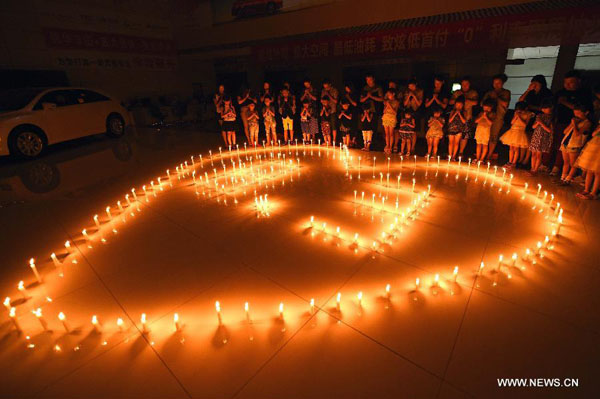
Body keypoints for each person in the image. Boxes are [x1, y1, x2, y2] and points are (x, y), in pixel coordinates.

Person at [550, 70, 594, 175]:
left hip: (576, 123)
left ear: (578, 81)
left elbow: (583, 109)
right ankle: (552, 165)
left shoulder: (584, 94)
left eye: (571, 82)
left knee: (570, 148)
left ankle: (564, 172)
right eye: (565, 83)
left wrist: (565, 102)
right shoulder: (561, 93)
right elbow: (553, 106)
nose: (567, 85)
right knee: (558, 144)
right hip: (560, 121)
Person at [558, 103, 592, 185]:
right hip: (566, 142)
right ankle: (562, 178)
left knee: (573, 164)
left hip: (574, 145)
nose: (576, 115)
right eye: (575, 113)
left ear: (586, 113)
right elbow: (565, 131)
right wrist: (572, 124)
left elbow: (577, 134)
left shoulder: (587, 123)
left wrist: (575, 124)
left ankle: (568, 179)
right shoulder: (575, 121)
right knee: (566, 162)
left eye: (578, 113)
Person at [482, 73, 511, 161]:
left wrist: (497, 98)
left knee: (494, 136)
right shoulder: (489, 93)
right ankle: (482, 154)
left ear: (502, 83)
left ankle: (489, 154)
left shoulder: (506, 92)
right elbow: (482, 103)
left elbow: (505, 104)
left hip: (498, 117)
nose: (496, 85)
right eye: (494, 83)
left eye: (498, 83)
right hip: (488, 116)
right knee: (485, 135)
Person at [450, 76, 479, 158]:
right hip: (456, 118)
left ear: (469, 84)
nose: (464, 86)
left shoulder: (473, 93)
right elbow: (451, 101)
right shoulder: (457, 92)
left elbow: (476, 102)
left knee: (464, 135)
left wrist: (466, 99)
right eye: (463, 84)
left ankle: (461, 152)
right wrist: (458, 100)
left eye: (466, 84)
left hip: (467, 117)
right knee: (454, 135)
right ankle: (452, 153)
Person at [500, 101, 533, 168]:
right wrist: (516, 116)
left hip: (520, 132)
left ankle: (514, 163)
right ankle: (510, 161)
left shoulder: (528, 114)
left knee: (516, 149)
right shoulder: (516, 113)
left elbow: (525, 124)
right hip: (513, 131)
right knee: (511, 148)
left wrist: (519, 117)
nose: (518, 110)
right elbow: (512, 122)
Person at [574, 123, 600, 199]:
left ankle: (593, 193)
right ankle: (586, 189)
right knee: (589, 170)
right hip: (594, 145)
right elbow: (593, 134)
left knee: (597, 172)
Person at [529, 98, 554, 174]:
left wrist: (541, 123)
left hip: (543, 137)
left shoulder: (551, 118)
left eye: (549, 107)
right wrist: (538, 122)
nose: (548, 109)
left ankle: (535, 170)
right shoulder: (539, 116)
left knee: (539, 155)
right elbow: (533, 127)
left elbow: (550, 130)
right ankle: (532, 169)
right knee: (533, 154)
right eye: (546, 108)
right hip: (536, 136)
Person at [402, 79, 424, 151]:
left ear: (415, 85)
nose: (410, 87)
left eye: (412, 86)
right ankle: (406, 147)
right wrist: (409, 96)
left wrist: (414, 96)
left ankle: (412, 147)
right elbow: (405, 104)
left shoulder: (420, 91)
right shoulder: (407, 92)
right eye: (409, 86)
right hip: (408, 112)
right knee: (407, 129)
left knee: (414, 131)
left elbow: (419, 104)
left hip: (416, 112)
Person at [447, 95, 468, 160]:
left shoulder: (464, 112)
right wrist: (455, 114)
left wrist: (459, 114)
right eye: (457, 105)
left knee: (456, 143)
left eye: (460, 105)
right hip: (451, 129)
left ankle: (453, 156)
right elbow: (450, 120)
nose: (458, 106)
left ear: (462, 106)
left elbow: (464, 121)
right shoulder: (453, 111)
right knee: (450, 143)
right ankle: (450, 155)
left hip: (459, 130)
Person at [321, 79, 339, 144]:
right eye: (324, 87)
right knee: (325, 127)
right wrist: (325, 103)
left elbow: (336, 101)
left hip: (332, 110)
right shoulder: (323, 91)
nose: (326, 88)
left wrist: (328, 95)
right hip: (325, 110)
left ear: (330, 85)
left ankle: (333, 140)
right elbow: (321, 100)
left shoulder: (334, 90)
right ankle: (327, 141)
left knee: (333, 125)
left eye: (327, 87)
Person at [382, 89, 399, 154]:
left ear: (393, 94)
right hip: (386, 117)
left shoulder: (396, 102)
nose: (388, 96)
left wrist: (389, 105)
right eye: (388, 95)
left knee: (391, 133)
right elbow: (384, 111)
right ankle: (387, 145)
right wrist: (387, 105)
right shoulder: (386, 101)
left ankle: (390, 147)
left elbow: (395, 112)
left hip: (392, 117)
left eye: (389, 94)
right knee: (387, 134)